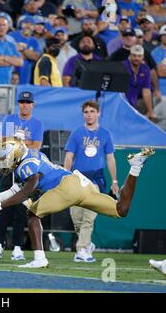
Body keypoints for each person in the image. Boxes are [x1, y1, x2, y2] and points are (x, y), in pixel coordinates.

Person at [0, 137, 155, 268]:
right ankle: (135, 167)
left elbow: (29, 189)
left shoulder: (26, 165)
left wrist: (0, 205)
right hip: (82, 184)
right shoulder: (32, 156)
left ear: (16, 155)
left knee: (32, 215)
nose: (3, 163)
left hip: (67, 187)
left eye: (5, 159)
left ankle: (40, 259)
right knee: (120, 209)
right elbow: (16, 191)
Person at [0, 91, 44, 261]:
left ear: (32, 105)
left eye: (28, 102)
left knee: (22, 209)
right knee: (4, 206)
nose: (24, 105)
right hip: (9, 167)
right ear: (18, 104)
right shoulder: (9, 119)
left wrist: (19, 141)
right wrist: (18, 141)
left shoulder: (37, 123)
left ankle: (17, 247)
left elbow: (36, 145)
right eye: (21, 102)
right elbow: (4, 141)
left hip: (27, 169)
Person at [64, 101, 119, 262]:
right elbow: (69, 157)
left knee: (89, 216)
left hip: (95, 179)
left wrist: (114, 181)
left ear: (98, 113)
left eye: (92, 111)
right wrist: (65, 177)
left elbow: (110, 158)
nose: (89, 114)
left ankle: (81, 250)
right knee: (76, 218)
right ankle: (87, 244)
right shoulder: (77, 133)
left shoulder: (105, 134)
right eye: (86, 112)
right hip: (77, 178)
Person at [123, 44, 156, 121]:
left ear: (143, 57)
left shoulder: (145, 69)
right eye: (134, 55)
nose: (136, 58)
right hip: (123, 103)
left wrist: (150, 111)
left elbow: (146, 91)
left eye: (139, 56)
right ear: (130, 56)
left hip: (134, 103)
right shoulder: (123, 67)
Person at [8, 15, 41, 85]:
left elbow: (36, 57)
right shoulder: (11, 35)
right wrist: (28, 54)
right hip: (10, 71)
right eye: (26, 23)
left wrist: (22, 49)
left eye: (31, 24)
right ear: (21, 24)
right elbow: (7, 52)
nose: (28, 26)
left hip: (25, 74)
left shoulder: (34, 41)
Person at [151, 25, 166, 96]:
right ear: (160, 37)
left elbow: (161, 70)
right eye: (164, 35)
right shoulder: (155, 52)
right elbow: (158, 72)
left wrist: (162, 69)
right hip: (159, 88)